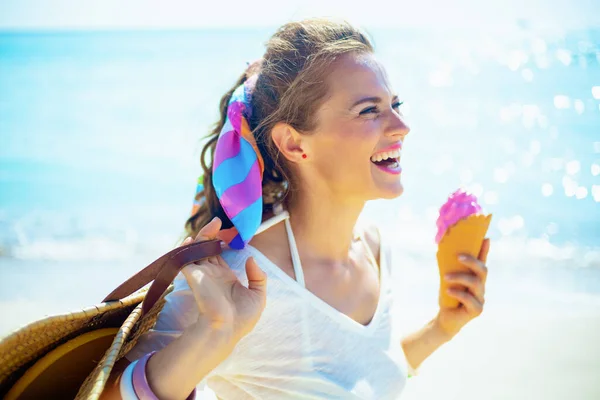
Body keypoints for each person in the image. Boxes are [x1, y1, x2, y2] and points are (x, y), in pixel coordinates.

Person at [101, 17, 490, 400]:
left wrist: (442, 326)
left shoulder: (373, 248)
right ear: (293, 144)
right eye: (369, 110)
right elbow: (101, 393)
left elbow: (364, 377)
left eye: (395, 104)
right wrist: (213, 334)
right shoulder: (237, 279)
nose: (401, 125)